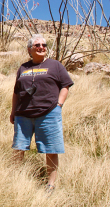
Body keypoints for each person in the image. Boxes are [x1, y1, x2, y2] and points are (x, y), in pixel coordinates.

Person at [10, 34, 73, 194]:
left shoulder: (55, 65)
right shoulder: (23, 68)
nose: (41, 47)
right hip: (23, 114)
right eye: (37, 45)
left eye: (44, 45)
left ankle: (50, 185)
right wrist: (13, 111)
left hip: (48, 113)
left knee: (51, 149)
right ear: (30, 49)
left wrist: (59, 105)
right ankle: (15, 179)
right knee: (19, 148)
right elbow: (16, 92)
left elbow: (65, 85)